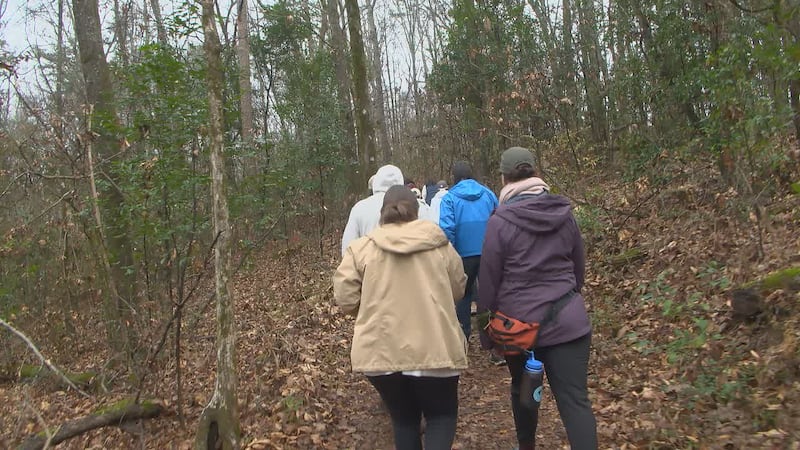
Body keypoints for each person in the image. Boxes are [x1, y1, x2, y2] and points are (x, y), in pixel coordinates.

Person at [477, 147, 597, 450]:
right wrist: (568, 302)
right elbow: (578, 268)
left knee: (522, 390)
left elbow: (488, 282)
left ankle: (526, 446)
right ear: (535, 172)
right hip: (569, 323)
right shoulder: (563, 213)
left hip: (519, 328)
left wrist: (486, 333)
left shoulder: (499, 222)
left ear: (503, 178)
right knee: (575, 403)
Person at [334, 185, 468, 450]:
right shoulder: (439, 245)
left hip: (381, 350)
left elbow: (345, 297)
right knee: (441, 417)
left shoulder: (361, 249)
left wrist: (371, 308)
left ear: (382, 213)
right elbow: (458, 289)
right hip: (435, 346)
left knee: (404, 421)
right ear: (417, 211)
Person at [438, 162, 498, 340]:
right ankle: (490, 338)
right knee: (487, 294)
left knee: (462, 295)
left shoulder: (449, 198)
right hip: (488, 251)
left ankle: (463, 338)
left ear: (454, 178)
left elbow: (447, 229)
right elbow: (499, 219)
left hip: (462, 255)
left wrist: (451, 253)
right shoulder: (488, 194)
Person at [341, 165, 404, 255]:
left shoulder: (360, 208)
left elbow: (348, 249)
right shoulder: (417, 206)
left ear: (376, 182)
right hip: (406, 267)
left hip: (368, 266)